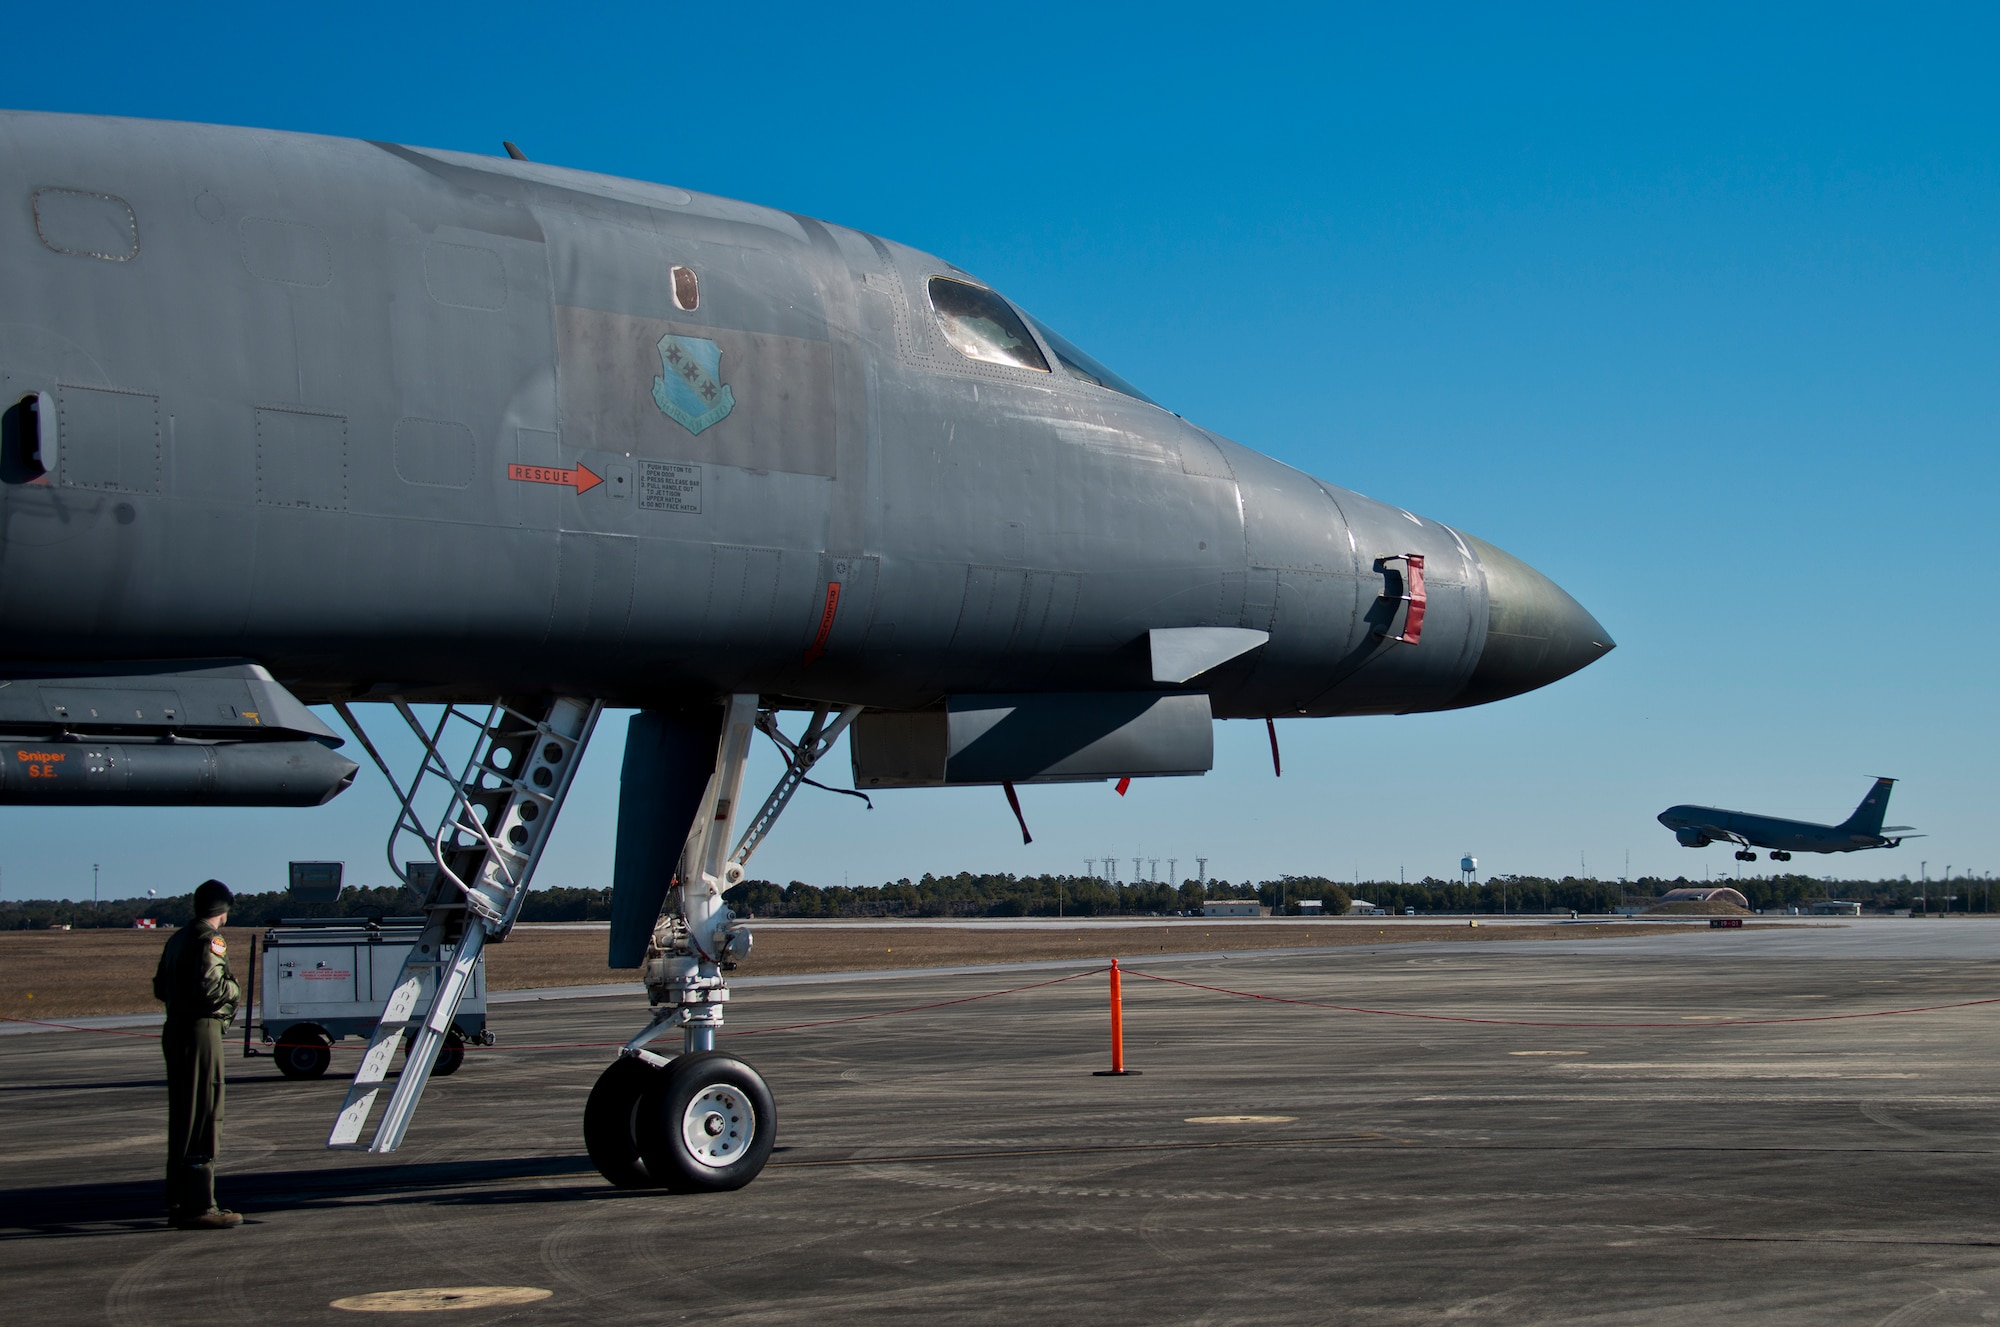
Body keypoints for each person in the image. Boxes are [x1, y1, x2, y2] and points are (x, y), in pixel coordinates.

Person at [153, 879, 243, 1229]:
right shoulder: (210, 940)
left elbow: (161, 986)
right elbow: (212, 988)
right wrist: (234, 987)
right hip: (202, 1029)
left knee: (183, 1116)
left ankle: (179, 1195)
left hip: (176, 1026)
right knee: (205, 1115)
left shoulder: (177, 938)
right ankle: (200, 1202)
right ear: (223, 910)